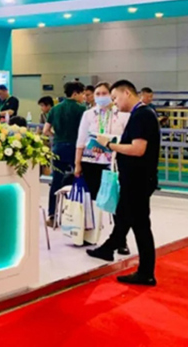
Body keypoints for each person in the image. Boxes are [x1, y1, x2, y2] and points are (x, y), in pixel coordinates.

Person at [88, 80, 161, 286]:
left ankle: (145, 272)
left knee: (139, 224)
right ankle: (112, 247)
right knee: (126, 216)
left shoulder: (142, 115)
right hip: (136, 178)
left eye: (115, 98)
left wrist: (110, 145)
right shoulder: (141, 114)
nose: (115, 103)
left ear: (127, 93)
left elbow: (138, 149)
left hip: (138, 179)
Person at [75, 81, 130, 253]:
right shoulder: (88, 114)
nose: (100, 97)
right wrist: (77, 163)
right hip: (91, 161)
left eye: (104, 93)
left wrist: (109, 144)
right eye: (97, 94)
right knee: (93, 200)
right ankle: (89, 235)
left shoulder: (122, 115)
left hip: (113, 162)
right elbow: (81, 140)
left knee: (117, 201)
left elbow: (126, 139)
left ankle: (120, 240)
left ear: (111, 95)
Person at [43, 81, 86, 225]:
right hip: (75, 148)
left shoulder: (55, 109)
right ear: (75, 93)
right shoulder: (82, 109)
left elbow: (45, 130)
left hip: (58, 148)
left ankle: (52, 214)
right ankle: (78, 215)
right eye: (82, 94)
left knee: (56, 181)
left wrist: (56, 136)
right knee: (79, 180)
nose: (83, 97)